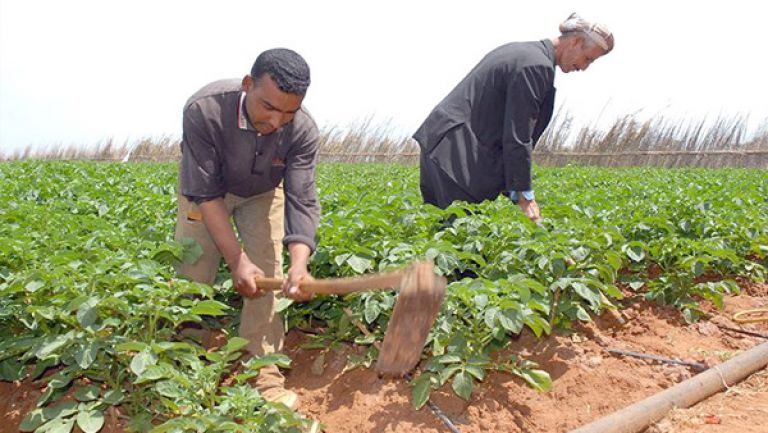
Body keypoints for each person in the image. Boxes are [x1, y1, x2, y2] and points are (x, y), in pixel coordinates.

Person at [175, 48, 320, 409]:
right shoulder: (205, 110)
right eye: (269, 107)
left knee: (270, 273)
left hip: (263, 192)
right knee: (193, 270)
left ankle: (263, 372)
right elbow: (206, 194)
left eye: (289, 111)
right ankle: (183, 363)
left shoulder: (301, 130)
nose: (277, 121)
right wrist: (236, 260)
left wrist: (299, 265)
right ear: (247, 85)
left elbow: (301, 200)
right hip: (208, 193)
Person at [414, 13, 614, 222]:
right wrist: (524, 194)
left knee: (441, 232)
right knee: (460, 236)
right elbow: (518, 134)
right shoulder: (535, 66)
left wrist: (511, 187)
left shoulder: (523, 52)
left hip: (444, 149)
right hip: (457, 158)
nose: (584, 67)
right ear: (576, 41)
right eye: (588, 58)